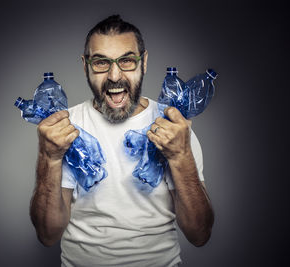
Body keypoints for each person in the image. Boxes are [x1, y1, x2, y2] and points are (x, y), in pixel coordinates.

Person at [30, 15, 214, 267]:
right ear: (85, 66)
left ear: (144, 62)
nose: (114, 75)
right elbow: (48, 235)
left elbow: (199, 234)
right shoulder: (64, 127)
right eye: (101, 62)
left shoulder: (173, 126)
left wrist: (181, 157)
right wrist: (48, 158)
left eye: (126, 60)